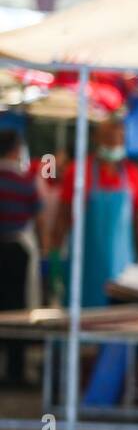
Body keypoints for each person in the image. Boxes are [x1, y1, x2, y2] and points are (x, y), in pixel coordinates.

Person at [52, 115, 138, 406]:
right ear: (97, 140)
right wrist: (53, 257)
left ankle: (122, 394)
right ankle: (80, 397)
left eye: (119, 139)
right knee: (83, 334)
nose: (114, 144)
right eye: (109, 139)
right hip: (85, 270)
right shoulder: (78, 172)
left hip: (124, 275)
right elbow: (62, 217)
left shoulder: (134, 174)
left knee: (124, 333)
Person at [0, 128, 44, 383]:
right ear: (16, 150)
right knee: (17, 311)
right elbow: (39, 218)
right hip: (17, 252)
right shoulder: (25, 182)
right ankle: (15, 371)